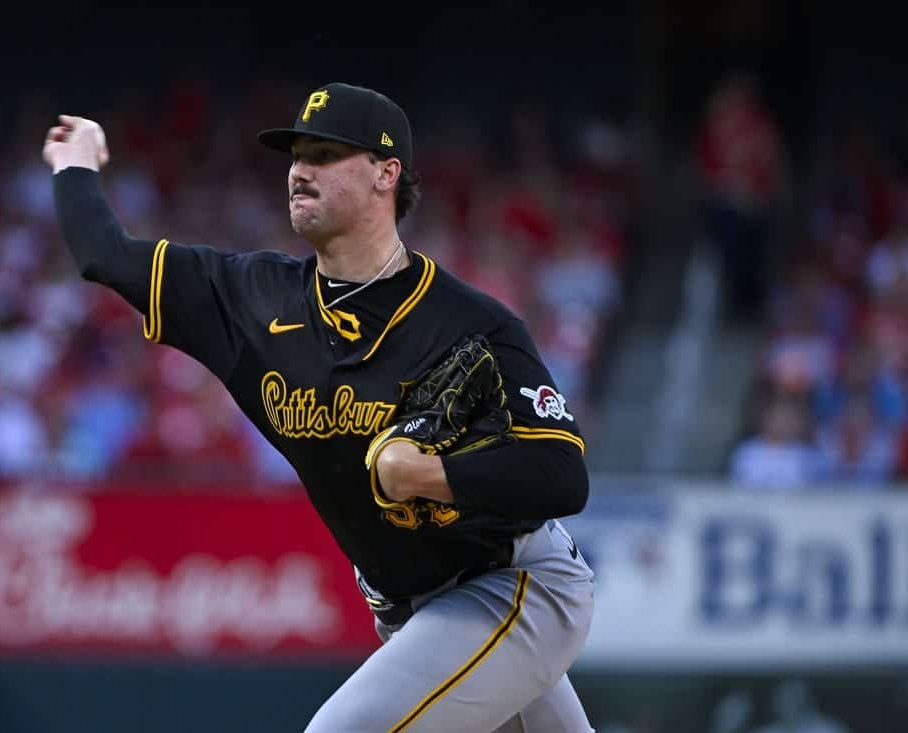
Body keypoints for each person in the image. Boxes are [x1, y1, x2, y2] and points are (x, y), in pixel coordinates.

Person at [43, 81, 595, 733]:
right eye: (296, 152)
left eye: (327, 153)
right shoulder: (250, 296)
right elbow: (106, 256)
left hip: (515, 583)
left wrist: (432, 475)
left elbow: (562, 475)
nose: (301, 169)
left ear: (386, 173)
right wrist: (74, 164)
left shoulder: (470, 322)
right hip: (410, 611)